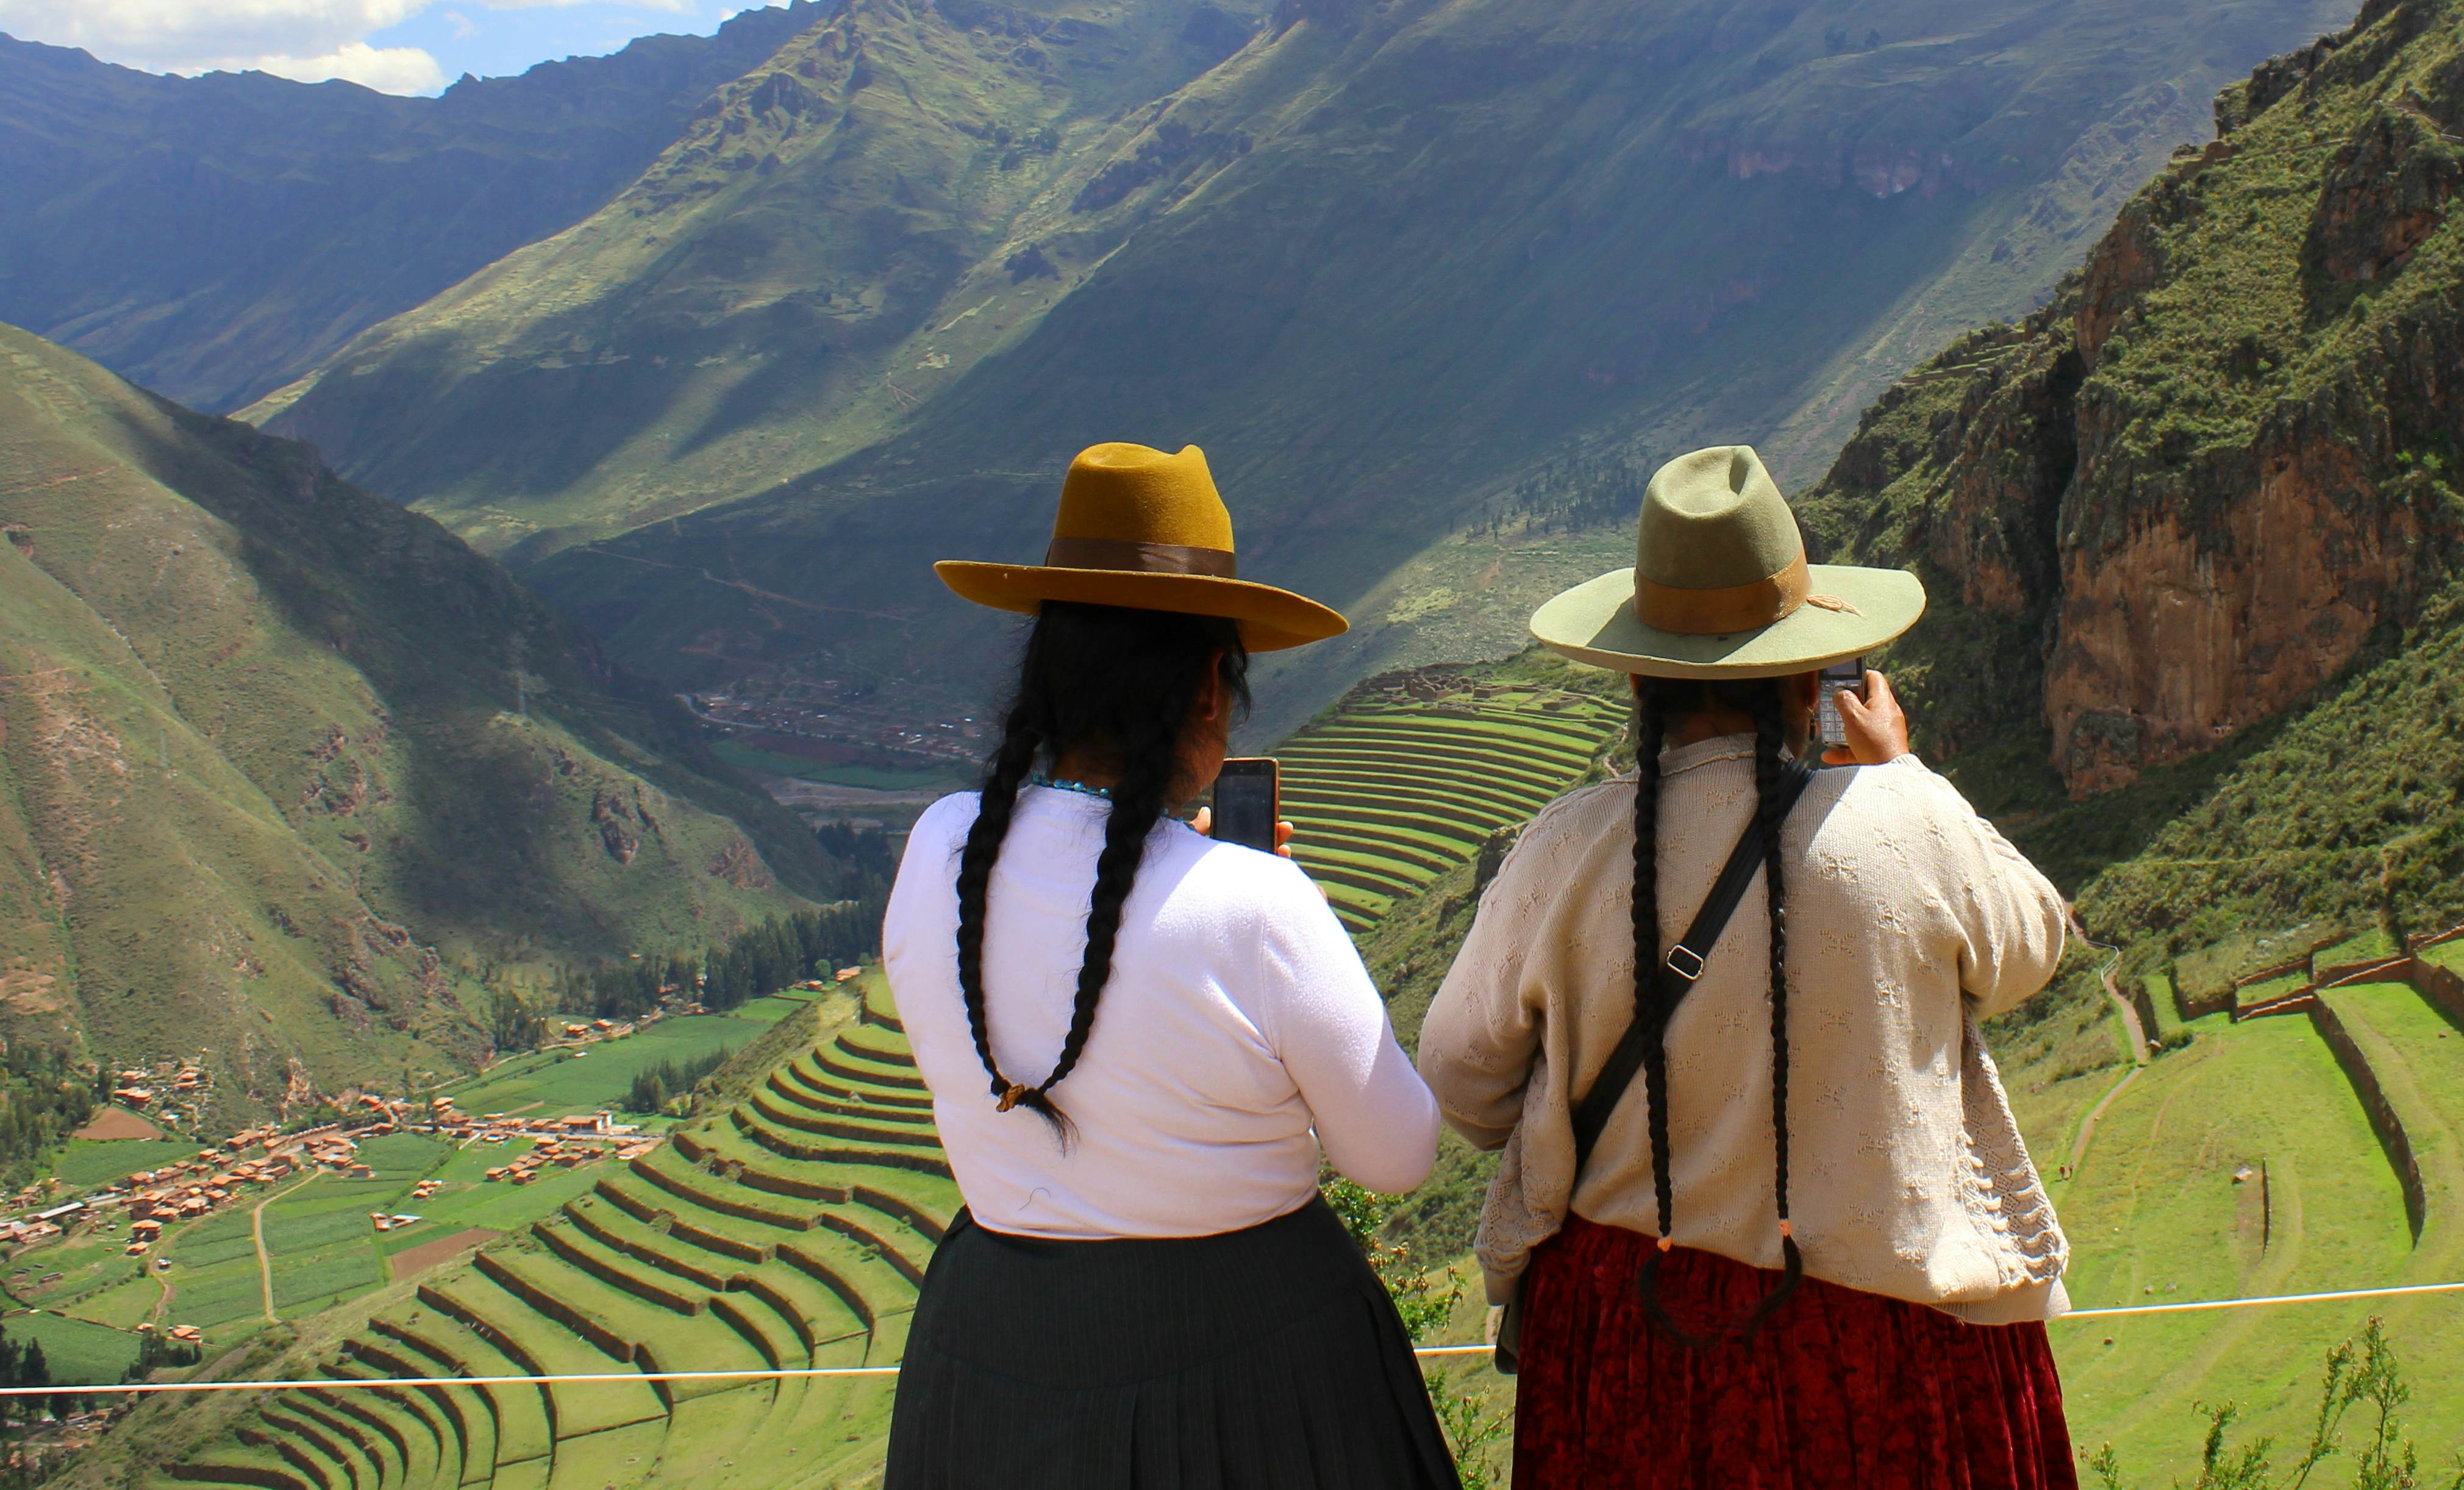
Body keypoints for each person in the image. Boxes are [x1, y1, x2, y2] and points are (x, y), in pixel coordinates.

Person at [1418, 444, 2080, 1489]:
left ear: (1639, 675)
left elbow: (1460, 1074)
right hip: (1880, 1348)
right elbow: (2030, 946)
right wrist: (1902, 771)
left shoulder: (1565, 848)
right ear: (1815, 673)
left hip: (1635, 1329)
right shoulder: (1906, 822)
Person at [882, 442, 1455, 1490]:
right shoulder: (1253, 903)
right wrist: (1254, 896)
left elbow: (1074, 916)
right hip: (1248, 1366)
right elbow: (1397, 1154)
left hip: (991, 1353)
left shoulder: (940, 847)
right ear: (1206, 693)